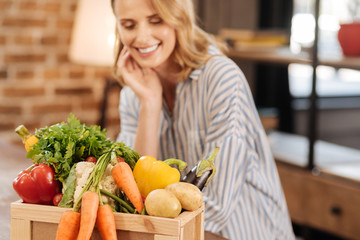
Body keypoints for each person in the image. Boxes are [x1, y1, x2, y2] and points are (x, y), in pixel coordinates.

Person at [111, 0, 295, 239]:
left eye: (156, 20)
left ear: (179, 16)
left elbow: (214, 208)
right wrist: (150, 103)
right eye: (128, 25)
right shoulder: (132, 95)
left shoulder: (222, 79)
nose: (142, 36)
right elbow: (137, 197)